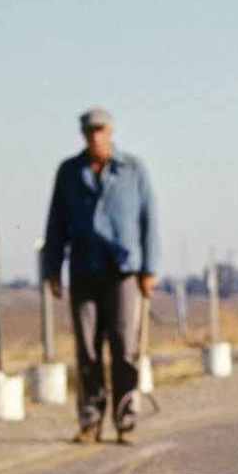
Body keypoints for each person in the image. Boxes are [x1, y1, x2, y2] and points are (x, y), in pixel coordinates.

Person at [41, 107, 158, 444]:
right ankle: (90, 421)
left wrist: (150, 268)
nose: (95, 136)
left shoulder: (133, 170)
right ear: (83, 134)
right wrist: (52, 269)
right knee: (88, 351)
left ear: (111, 131)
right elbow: (56, 223)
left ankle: (125, 420)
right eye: (90, 131)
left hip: (123, 273)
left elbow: (150, 221)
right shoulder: (69, 172)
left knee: (124, 349)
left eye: (101, 130)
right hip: (83, 271)